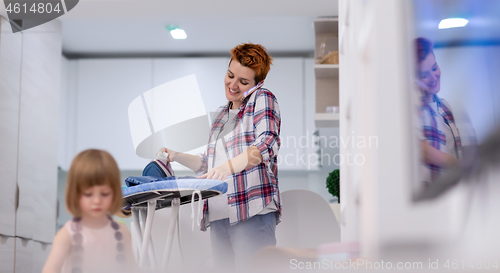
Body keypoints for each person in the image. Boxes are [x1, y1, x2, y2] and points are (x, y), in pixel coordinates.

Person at [159, 42, 281, 271]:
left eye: (243, 82)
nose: (233, 85)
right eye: (230, 75)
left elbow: (266, 144)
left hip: (250, 212)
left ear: (257, 84)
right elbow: (208, 163)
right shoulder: (221, 115)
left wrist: (226, 168)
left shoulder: (262, 99)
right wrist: (176, 156)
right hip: (218, 215)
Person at [42, 149, 138, 273]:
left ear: (115, 193)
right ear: (75, 194)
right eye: (88, 194)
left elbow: (132, 268)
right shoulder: (66, 234)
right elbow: (51, 269)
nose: (97, 200)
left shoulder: (122, 233)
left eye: (104, 194)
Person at [416, 37, 462, 184]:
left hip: (449, 188)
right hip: (428, 192)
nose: (433, 77)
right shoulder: (412, 104)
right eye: (424, 75)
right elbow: (421, 149)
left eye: (434, 67)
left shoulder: (444, 107)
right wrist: (461, 167)